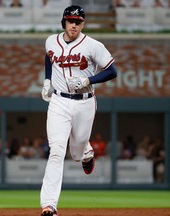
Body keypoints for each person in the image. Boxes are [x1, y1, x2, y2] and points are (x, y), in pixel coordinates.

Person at [40, 5, 117, 216]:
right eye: (70, 20)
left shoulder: (93, 45)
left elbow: (112, 71)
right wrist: (47, 80)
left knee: (75, 151)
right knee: (56, 151)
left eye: (78, 21)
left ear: (82, 24)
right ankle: (49, 205)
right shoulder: (51, 41)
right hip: (59, 102)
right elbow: (49, 56)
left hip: (85, 102)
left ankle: (85, 152)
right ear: (63, 21)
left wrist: (87, 80)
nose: (74, 24)